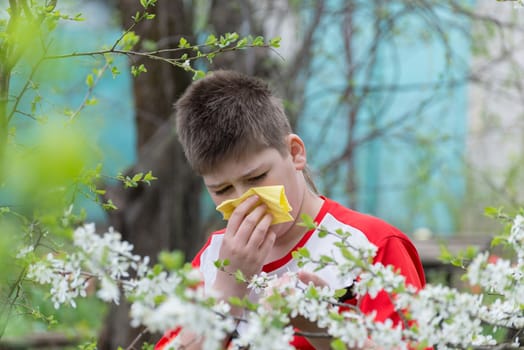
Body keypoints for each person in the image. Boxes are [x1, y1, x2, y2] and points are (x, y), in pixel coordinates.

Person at [155, 70, 426, 350]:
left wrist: (324, 327)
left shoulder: (371, 246)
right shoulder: (214, 259)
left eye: (257, 178)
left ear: (295, 152)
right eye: (222, 190)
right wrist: (226, 290)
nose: (246, 200)